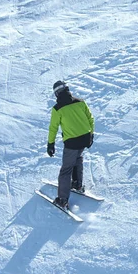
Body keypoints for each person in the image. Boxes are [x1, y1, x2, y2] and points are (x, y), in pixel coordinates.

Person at [46, 81, 94, 209]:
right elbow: (90, 119)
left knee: (66, 169)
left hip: (72, 142)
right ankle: (77, 184)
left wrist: (50, 144)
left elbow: (53, 128)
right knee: (78, 158)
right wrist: (91, 134)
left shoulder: (57, 109)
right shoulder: (80, 102)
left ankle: (62, 199)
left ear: (57, 93)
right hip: (85, 138)